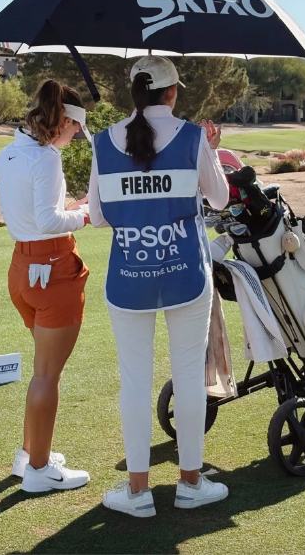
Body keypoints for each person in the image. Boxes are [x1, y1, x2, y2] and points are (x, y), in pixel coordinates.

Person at [88, 56, 230, 517]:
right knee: (189, 377)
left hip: (128, 278)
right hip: (186, 275)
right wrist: (210, 151)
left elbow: (98, 216)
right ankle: (190, 483)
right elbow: (219, 198)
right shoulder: (192, 137)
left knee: (134, 381)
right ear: (171, 92)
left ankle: (137, 492)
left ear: (135, 93)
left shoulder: (103, 141)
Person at [0, 79, 92, 493]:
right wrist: (86, 215)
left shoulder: (10, 152)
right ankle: (38, 470)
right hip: (53, 270)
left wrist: (73, 206)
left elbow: (38, 213)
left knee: (41, 372)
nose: (77, 135)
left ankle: (29, 454)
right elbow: (50, 222)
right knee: (47, 376)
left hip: (23, 269)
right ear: (64, 120)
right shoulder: (46, 158)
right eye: (76, 127)